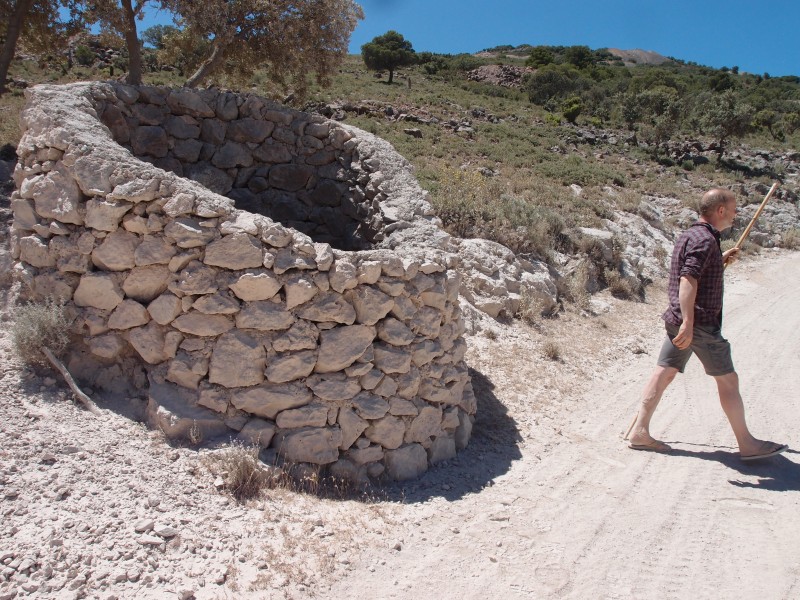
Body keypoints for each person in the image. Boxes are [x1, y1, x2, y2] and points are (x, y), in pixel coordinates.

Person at [627, 188, 787, 460]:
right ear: (720, 210)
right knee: (728, 380)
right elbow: (688, 279)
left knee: (663, 372)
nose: (736, 215)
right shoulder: (705, 241)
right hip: (698, 323)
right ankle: (748, 444)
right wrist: (689, 324)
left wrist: (720, 261)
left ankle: (639, 431)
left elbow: (695, 272)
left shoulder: (692, 235)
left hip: (678, 319)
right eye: (734, 209)